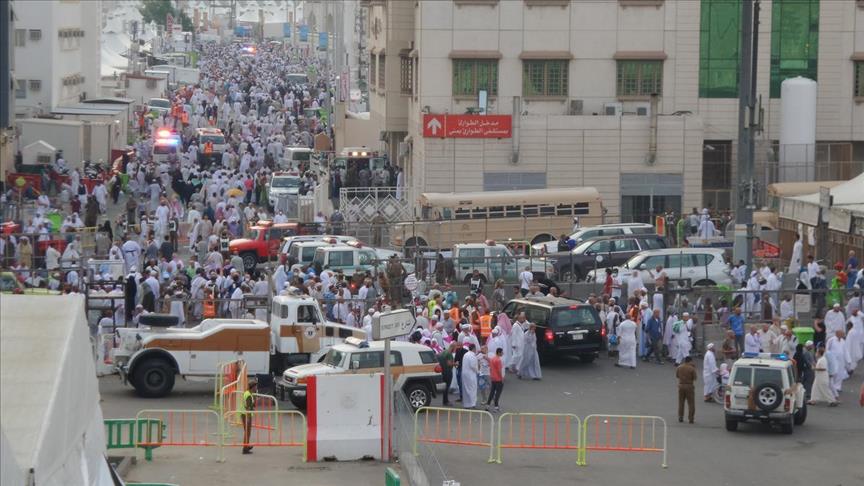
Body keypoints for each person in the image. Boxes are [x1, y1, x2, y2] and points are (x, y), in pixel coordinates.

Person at [676, 356, 697, 423]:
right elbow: (695, 378)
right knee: (691, 403)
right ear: (690, 361)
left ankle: (680, 417)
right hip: (689, 386)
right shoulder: (692, 368)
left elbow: (677, 376)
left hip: (681, 386)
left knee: (681, 402)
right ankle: (691, 418)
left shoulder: (679, 367)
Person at [241, 379, 258, 454]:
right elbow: (248, 407)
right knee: (247, 432)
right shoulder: (248, 395)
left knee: (247, 432)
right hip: (247, 415)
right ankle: (245, 448)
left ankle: (246, 445)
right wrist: (248, 417)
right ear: (253, 387)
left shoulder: (248, 393)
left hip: (244, 414)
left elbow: (250, 405)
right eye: (255, 386)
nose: (256, 388)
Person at [486, 347, 505, 412]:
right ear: (499, 353)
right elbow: (499, 370)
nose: (502, 353)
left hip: (493, 378)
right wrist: (502, 378)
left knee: (492, 392)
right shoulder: (498, 360)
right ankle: (496, 407)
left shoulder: (492, 359)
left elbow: (490, 368)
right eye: (502, 352)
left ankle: (487, 405)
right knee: (498, 393)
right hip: (498, 379)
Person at [461, 343, 479, 409]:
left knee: (466, 389)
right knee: (472, 388)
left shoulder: (465, 354)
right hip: (471, 374)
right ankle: (472, 404)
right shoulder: (472, 355)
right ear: (474, 348)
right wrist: (478, 371)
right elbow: (473, 366)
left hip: (465, 374)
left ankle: (466, 404)